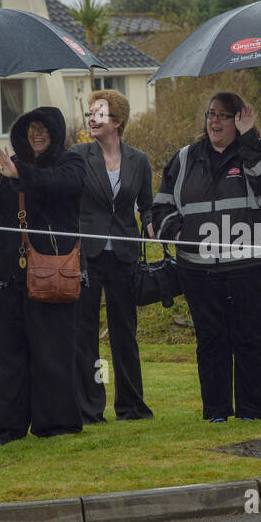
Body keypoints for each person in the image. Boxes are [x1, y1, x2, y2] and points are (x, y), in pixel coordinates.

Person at [152, 93, 261, 422]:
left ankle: (256, 410)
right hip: (198, 269)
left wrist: (251, 138)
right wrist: (176, 233)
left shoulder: (252, 152)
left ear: (239, 120)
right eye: (211, 114)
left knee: (250, 337)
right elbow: (161, 206)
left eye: (224, 116)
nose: (214, 121)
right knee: (210, 340)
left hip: (251, 265)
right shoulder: (184, 158)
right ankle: (216, 411)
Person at [0, 107, 87, 442]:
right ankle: (6, 426)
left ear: (55, 131)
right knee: (7, 355)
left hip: (51, 272)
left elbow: (62, 184)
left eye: (43, 129)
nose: (36, 134)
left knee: (52, 352)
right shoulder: (12, 167)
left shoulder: (71, 162)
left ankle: (56, 423)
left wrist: (18, 173)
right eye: (30, 129)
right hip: (9, 273)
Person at [71, 89, 154, 423]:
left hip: (124, 256)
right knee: (87, 336)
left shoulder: (140, 160)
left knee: (125, 334)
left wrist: (150, 223)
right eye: (90, 113)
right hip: (87, 258)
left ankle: (131, 406)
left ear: (117, 122)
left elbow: (148, 205)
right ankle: (91, 407)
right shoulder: (78, 155)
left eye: (99, 114)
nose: (92, 118)